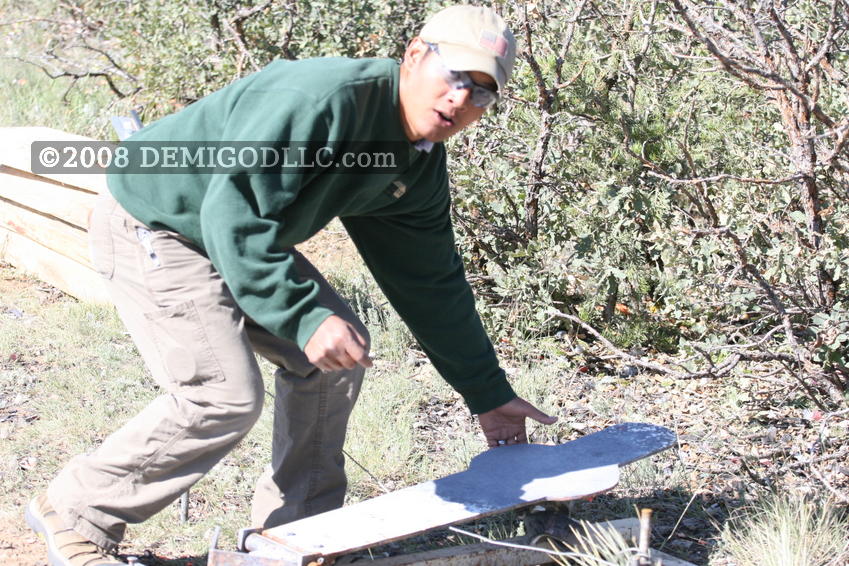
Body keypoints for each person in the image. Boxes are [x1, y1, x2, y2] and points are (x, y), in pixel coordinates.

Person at [26, 5, 557, 565]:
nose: (461, 100)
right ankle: (77, 511)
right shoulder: (322, 102)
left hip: (235, 233)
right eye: (456, 77)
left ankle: (298, 534)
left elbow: (431, 283)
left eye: (482, 93)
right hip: (156, 222)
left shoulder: (414, 162)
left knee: (337, 359)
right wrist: (305, 317)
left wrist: (487, 394)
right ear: (416, 56)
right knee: (222, 395)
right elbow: (232, 214)